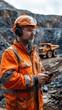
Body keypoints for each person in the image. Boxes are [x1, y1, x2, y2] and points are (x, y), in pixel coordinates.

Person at [0, 15, 52, 110]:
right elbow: (7, 79)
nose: (33, 34)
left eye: (34, 30)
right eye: (29, 30)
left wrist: (45, 77)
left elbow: (40, 71)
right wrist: (35, 79)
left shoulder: (34, 53)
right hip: (20, 107)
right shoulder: (10, 53)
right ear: (18, 32)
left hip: (37, 105)